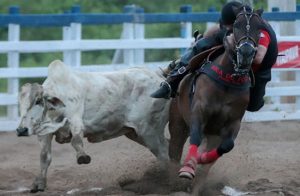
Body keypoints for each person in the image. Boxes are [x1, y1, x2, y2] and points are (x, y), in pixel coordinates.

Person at [150, 1, 278, 113]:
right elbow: (215, 29)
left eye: (228, 27)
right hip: (239, 47)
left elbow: (258, 58)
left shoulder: (260, 31)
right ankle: (172, 79)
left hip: (260, 68)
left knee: (253, 106)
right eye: (226, 26)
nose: (225, 28)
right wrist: (200, 42)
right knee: (202, 45)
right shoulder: (233, 24)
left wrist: (234, 44)